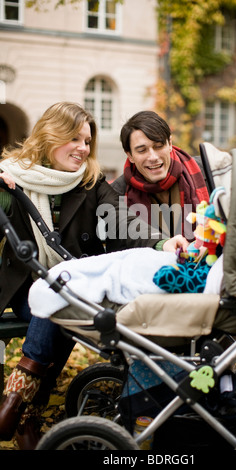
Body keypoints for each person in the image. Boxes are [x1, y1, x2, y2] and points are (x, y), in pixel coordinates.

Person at [0, 102, 188, 449]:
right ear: (49, 136)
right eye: (74, 139)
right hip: (27, 289)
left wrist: (163, 242)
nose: (83, 149)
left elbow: (126, 223)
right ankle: (26, 410)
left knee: (64, 294)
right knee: (58, 299)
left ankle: (19, 403)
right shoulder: (13, 178)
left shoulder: (91, 182)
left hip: (76, 286)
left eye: (87, 141)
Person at [111, 110, 209, 241]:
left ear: (170, 144)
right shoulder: (117, 193)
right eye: (142, 150)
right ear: (130, 155)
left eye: (158, 146)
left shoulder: (206, 172)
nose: (153, 157)